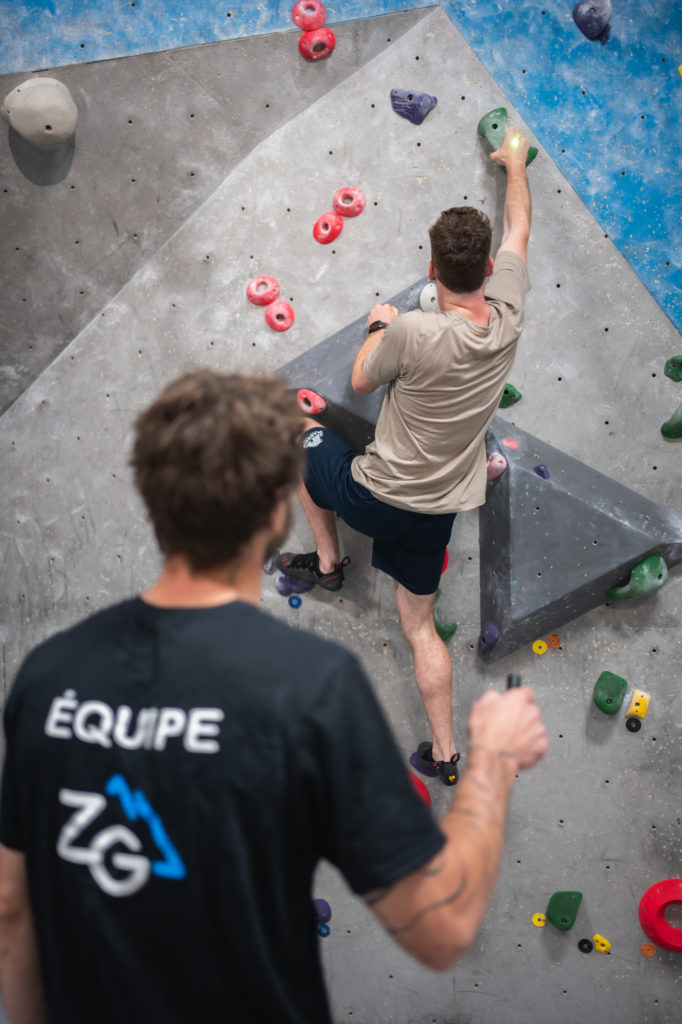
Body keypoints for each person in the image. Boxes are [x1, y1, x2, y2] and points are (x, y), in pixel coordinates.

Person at [0, 370, 547, 1024]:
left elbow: (10, 903)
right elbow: (442, 923)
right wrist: (490, 760)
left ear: (151, 498)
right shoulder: (310, 688)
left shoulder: (48, 675)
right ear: (273, 513)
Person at [275, 126, 533, 785]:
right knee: (420, 626)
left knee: (300, 439)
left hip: (376, 493)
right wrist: (512, 165)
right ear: (486, 273)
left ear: (431, 271)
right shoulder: (507, 314)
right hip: (442, 507)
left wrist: (380, 327)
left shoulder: (414, 331)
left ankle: (330, 563)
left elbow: (362, 380)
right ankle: (445, 755)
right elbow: (520, 228)